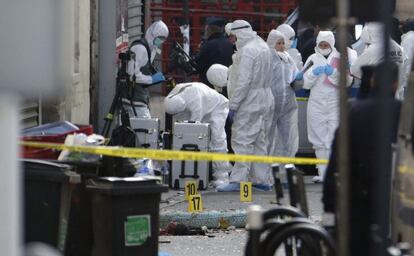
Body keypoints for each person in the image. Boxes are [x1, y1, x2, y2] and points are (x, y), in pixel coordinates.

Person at [323, 63, 401, 255]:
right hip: (396, 207)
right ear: (396, 84)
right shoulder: (403, 113)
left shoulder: (354, 112)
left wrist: (329, 207)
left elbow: (336, 162)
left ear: (373, 81)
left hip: (358, 206)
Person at [210, 20, 274, 192]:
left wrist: (234, 104)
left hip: (249, 100)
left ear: (239, 34)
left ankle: (238, 180)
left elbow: (244, 82)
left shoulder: (247, 51)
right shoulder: (262, 45)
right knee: (259, 140)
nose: (232, 40)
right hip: (265, 97)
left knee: (242, 139)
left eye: (232, 36)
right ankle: (261, 179)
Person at [303, 31, 356, 183]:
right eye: (321, 44)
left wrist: (333, 73)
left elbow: (347, 81)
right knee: (318, 139)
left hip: (335, 102)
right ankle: (323, 173)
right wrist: (313, 74)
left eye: (326, 44)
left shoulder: (341, 58)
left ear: (332, 44)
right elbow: (305, 83)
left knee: (334, 138)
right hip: (316, 102)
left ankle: (335, 173)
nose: (324, 47)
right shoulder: (312, 59)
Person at [164, 82, 232, 187]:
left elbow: (195, 127)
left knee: (217, 140)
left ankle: (222, 177)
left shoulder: (194, 98)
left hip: (217, 106)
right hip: (203, 103)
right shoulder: (173, 97)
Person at [350, 22, 409, 100]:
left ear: (369, 35)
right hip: (397, 95)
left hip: (378, 96)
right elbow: (405, 69)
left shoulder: (374, 49)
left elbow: (355, 69)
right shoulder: (398, 47)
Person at [124, 20, 169, 119]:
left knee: (142, 129)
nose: (161, 41)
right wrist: (151, 79)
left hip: (140, 98)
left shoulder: (150, 49)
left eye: (163, 39)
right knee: (146, 128)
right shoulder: (140, 48)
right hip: (133, 98)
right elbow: (132, 75)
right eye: (160, 38)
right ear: (153, 34)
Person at [266, 29, 300, 158]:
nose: (281, 46)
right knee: (269, 138)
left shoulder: (288, 58)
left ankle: (285, 169)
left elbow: (295, 75)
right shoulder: (268, 58)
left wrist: (299, 79)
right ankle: (266, 172)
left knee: (288, 138)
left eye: (282, 43)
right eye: (278, 43)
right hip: (272, 103)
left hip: (287, 104)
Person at [195, 17, 235, 96]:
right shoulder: (230, 44)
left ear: (209, 30)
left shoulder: (207, 46)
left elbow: (199, 67)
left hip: (209, 87)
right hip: (227, 87)